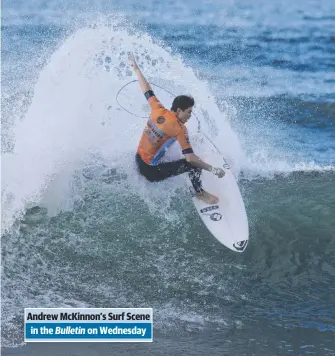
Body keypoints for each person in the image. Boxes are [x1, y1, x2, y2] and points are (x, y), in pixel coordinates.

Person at [129, 53, 225, 204]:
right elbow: (191, 159)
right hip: (150, 172)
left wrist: (136, 69)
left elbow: (147, 89)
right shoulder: (180, 129)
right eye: (188, 112)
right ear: (179, 110)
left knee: (167, 144)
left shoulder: (157, 108)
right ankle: (199, 193)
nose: (190, 116)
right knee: (193, 165)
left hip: (137, 159)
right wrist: (213, 170)